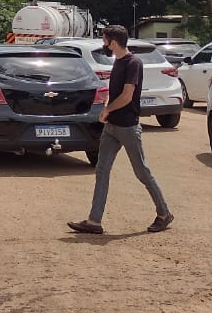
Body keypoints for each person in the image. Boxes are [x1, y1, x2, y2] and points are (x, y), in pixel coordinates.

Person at [68, 24, 174, 235]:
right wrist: (106, 107)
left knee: (141, 171)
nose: (103, 44)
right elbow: (114, 91)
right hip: (112, 127)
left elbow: (126, 96)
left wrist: (107, 109)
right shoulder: (118, 62)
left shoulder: (133, 63)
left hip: (127, 126)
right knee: (102, 170)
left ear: (113, 42)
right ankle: (94, 221)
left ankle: (164, 213)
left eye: (105, 40)